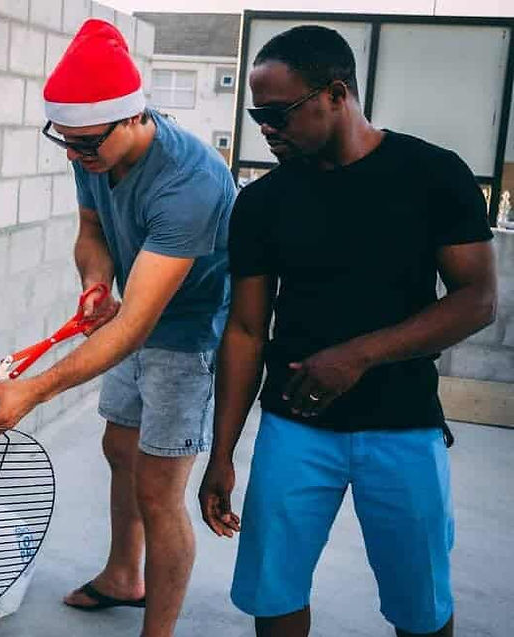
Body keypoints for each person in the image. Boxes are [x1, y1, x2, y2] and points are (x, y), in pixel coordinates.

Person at [198, 25, 497, 637]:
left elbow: (477, 300)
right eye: (256, 114)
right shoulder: (262, 203)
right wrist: (222, 452)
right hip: (293, 428)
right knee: (274, 593)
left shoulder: (433, 174)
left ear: (336, 94)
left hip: (404, 426)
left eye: (276, 112)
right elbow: (247, 331)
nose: (265, 127)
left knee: (422, 605)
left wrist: (357, 355)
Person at [0, 18, 236, 637]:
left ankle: (157, 631)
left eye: (85, 144)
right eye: (64, 142)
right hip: (137, 321)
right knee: (121, 451)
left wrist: (33, 389)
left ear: (135, 116)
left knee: (160, 488)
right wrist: (95, 282)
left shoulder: (189, 181)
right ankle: (123, 576)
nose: (75, 156)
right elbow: (92, 233)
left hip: (187, 334)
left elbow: (139, 325)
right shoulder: (91, 148)